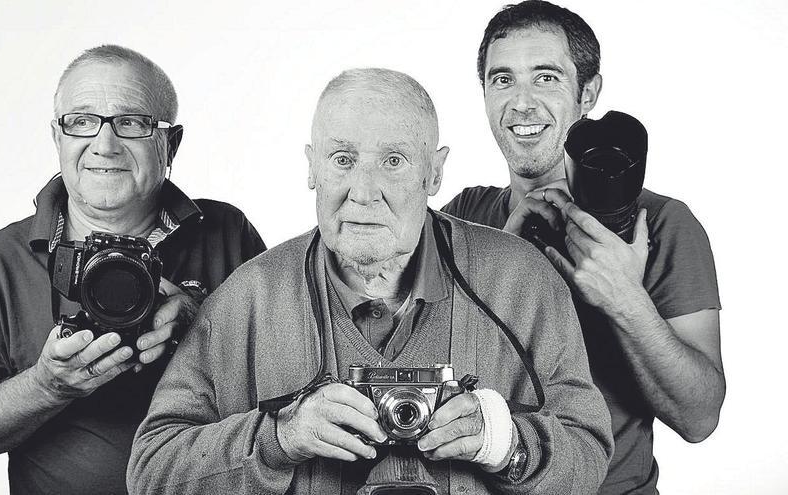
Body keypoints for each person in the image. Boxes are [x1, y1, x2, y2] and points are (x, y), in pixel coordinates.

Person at [128, 68, 612, 494]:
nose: (363, 191)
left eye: (393, 160)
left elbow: (589, 454)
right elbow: (151, 470)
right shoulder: (246, 297)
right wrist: (279, 439)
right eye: (342, 159)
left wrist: (507, 444)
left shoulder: (522, 281)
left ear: (435, 171)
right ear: (312, 167)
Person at [0, 45, 266, 495]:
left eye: (131, 122)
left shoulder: (226, 233)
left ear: (172, 142)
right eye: (82, 121)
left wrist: (202, 322)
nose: (104, 145)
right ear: (58, 137)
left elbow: (289, 383)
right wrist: (47, 386)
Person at [442, 2, 725, 493]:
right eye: (502, 79)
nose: (521, 103)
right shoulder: (466, 214)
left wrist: (624, 300)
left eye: (546, 78)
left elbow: (699, 417)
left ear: (587, 92)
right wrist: (505, 258)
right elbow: (420, 359)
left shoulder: (659, 224)